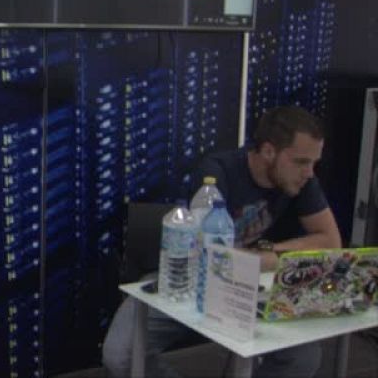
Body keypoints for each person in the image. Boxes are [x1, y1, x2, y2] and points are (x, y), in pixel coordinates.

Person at [102, 106, 342, 378]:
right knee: (120, 355)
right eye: (301, 162)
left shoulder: (301, 180)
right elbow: (214, 254)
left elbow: (330, 242)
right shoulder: (216, 173)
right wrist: (262, 258)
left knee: (302, 359)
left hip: (251, 283)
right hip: (189, 279)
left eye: (313, 163)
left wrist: (265, 254)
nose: (309, 172)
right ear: (268, 152)